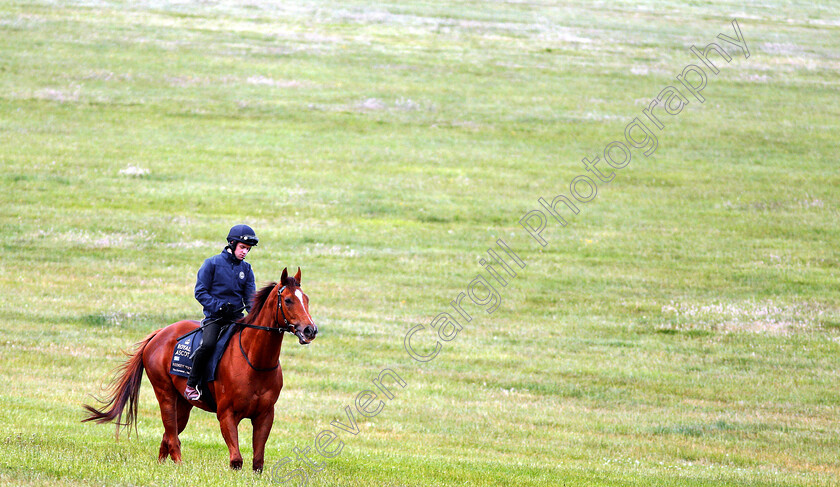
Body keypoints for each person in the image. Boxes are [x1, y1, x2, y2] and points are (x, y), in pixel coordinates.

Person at [185, 224, 258, 400]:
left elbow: (250, 299)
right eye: (242, 248)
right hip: (215, 318)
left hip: (236, 318)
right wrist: (218, 306)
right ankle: (191, 384)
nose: (244, 252)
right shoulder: (212, 264)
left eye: (247, 249)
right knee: (208, 344)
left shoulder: (246, 269)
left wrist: (255, 316)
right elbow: (200, 292)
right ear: (232, 244)